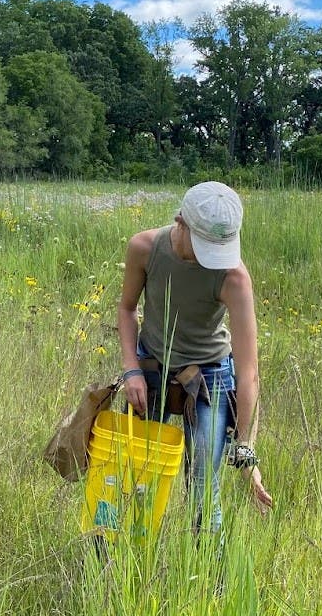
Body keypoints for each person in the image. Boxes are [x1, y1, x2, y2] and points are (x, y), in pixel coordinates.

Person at [117, 181, 273, 537]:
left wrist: (245, 448)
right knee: (134, 471)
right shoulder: (145, 248)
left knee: (204, 485)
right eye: (204, 245)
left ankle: (210, 581)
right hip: (152, 365)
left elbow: (248, 372)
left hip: (210, 376)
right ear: (180, 223)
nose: (210, 256)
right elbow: (127, 310)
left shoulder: (234, 277)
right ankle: (127, 555)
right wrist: (130, 370)